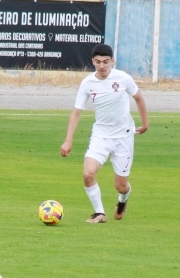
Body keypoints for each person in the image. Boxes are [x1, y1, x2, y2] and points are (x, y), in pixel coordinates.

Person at [60, 44, 149, 223]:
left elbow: (139, 98)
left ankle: (123, 200)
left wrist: (145, 124)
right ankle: (99, 213)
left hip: (123, 137)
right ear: (93, 61)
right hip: (100, 135)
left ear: (112, 61)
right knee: (88, 174)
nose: (102, 66)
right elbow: (76, 112)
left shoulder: (123, 78)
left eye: (106, 62)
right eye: (98, 62)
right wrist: (68, 140)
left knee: (120, 186)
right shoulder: (87, 83)